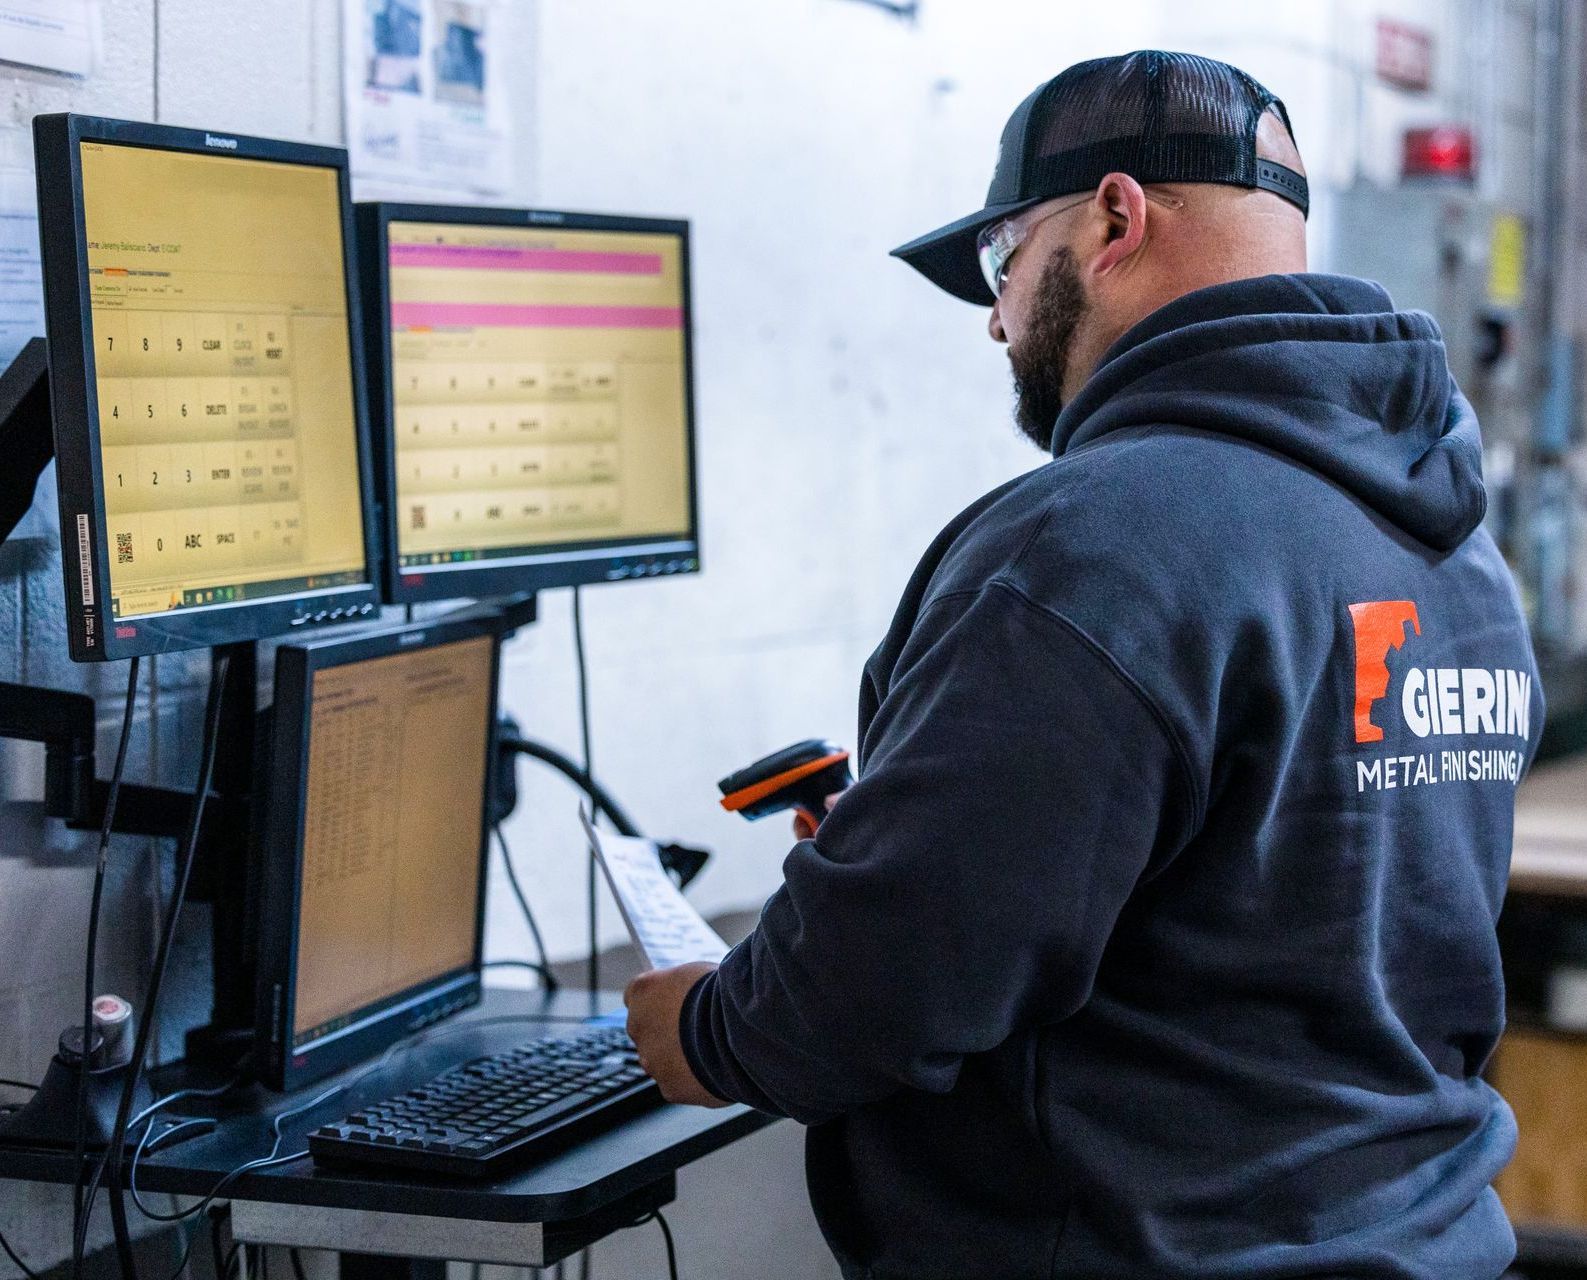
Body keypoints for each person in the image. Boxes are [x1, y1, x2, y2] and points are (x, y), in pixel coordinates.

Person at [624, 50, 1544, 1279]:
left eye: (1006, 266)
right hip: (1419, 1240)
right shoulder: (1449, 541)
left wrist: (698, 1023)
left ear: (1114, 218)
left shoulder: (1098, 540)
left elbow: (881, 994)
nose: (1001, 318)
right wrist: (939, 829)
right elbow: (1282, 902)